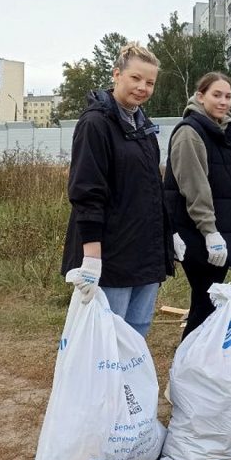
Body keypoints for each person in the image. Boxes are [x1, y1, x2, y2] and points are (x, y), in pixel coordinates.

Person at [62, 43, 178, 337]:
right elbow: (87, 192)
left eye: (150, 82)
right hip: (112, 255)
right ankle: (106, 386)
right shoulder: (96, 124)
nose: (142, 88)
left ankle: (130, 385)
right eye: (135, 78)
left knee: (136, 334)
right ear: (117, 75)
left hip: (146, 253)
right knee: (107, 336)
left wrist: (169, 234)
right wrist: (91, 256)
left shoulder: (145, 128)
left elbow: (153, 188)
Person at [163, 72, 231, 340]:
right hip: (198, 235)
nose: (223, 101)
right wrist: (209, 231)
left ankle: (198, 364)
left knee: (207, 302)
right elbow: (195, 186)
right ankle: (189, 365)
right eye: (217, 95)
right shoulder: (190, 133)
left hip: (223, 233)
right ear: (200, 96)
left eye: (228, 96)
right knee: (205, 303)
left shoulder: (227, 134)